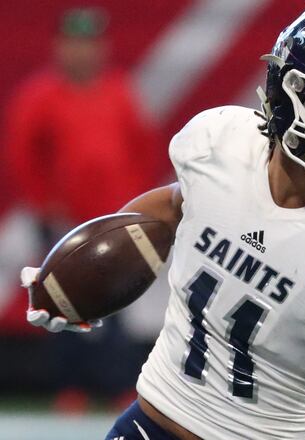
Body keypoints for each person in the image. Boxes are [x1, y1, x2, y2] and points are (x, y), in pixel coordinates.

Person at [22, 3, 305, 439]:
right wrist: (75, 273)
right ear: (288, 96)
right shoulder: (221, 145)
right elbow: (172, 208)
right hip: (151, 424)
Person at [6, 7, 164, 412]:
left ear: (101, 48)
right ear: (60, 47)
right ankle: (70, 388)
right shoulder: (40, 95)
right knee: (62, 305)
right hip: (66, 224)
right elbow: (24, 156)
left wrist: (135, 203)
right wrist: (46, 204)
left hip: (114, 222)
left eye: (89, 43)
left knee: (122, 306)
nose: (82, 52)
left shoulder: (118, 90)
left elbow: (142, 147)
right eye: (74, 43)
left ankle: (119, 388)